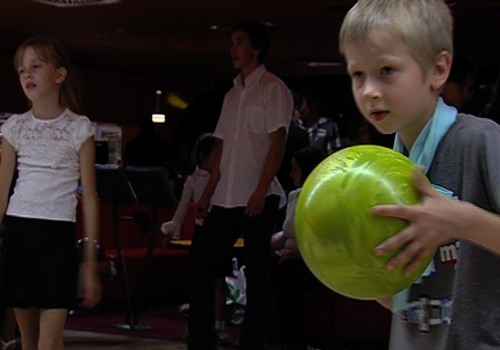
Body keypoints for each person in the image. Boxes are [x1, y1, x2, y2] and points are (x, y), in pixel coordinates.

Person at [339, 1, 500, 349]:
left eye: (386, 70)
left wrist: (462, 220)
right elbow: (399, 298)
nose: (369, 91)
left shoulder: (480, 141)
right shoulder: (382, 170)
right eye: (357, 74)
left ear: (438, 70)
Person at [188, 21, 293, 350]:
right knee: (200, 264)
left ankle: (251, 342)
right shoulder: (231, 95)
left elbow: (278, 142)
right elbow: (221, 149)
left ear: (257, 48)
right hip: (226, 197)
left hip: (257, 196)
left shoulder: (273, 88)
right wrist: (207, 191)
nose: (233, 48)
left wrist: (260, 190)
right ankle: (201, 340)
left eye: (240, 42)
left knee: (258, 273)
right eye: (231, 42)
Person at [0, 36, 101, 350]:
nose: (27, 75)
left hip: (57, 236)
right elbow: (1, 188)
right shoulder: (14, 127)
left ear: (59, 75)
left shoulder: (79, 128)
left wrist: (90, 263)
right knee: (27, 341)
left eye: (35, 66)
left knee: (48, 343)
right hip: (19, 231)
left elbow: (91, 199)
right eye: (21, 70)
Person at [160, 133, 232, 346]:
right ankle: (196, 324)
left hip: (220, 232)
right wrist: (172, 232)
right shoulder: (193, 180)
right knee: (199, 282)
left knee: (219, 280)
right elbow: (182, 209)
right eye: (215, 156)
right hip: (202, 234)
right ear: (202, 156)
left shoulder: (224, 176)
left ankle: (219, 325)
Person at [270, 146, 325, 349]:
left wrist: (298, 254)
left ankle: (292, 339)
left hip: (314, 260)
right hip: (290, 254)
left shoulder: (322, 196)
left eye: (295, 168)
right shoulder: (294, 195)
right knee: (265, 264)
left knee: (289, 272)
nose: (291, 173)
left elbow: (321, 237)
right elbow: (286, 234)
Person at [297, 89, 341, 156]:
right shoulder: (297, 128)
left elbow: (334, 155)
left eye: (304, 110)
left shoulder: (329, 127)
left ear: (313, 106)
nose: (301, 113)